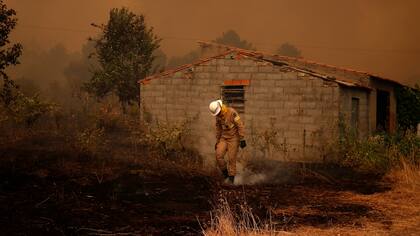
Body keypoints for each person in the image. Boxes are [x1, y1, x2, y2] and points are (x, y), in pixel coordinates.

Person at [209, 99, 246, 184]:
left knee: (231, 159)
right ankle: (226, 175)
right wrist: (218, 141)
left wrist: (242, 138)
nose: (217, 115)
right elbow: (218, 128)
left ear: (220, 107)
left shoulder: (232, 112)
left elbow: (240, 125)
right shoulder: (218, 116)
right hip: (224, 138)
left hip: (234, 138)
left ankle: (231, 179)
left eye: (218, 112)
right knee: (218, 155)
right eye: (216, 114)